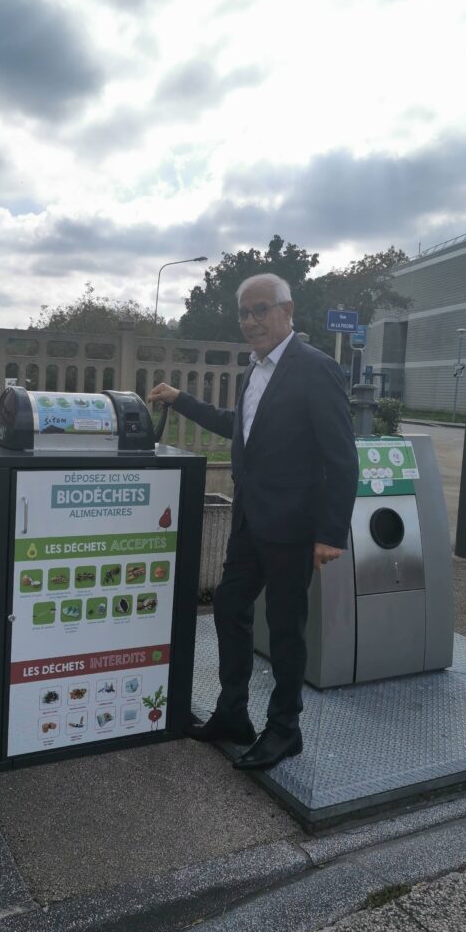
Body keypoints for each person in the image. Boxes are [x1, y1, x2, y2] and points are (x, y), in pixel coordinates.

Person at [147, 273, 358, 770]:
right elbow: (237, 427)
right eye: (244, 313)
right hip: (249, 521)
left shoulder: (316, 368)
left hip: (293, 526)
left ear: (288, 310)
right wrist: (180, 399)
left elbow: (342, 456)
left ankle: (285, 729)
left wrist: (331, 533)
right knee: (229, 606)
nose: (250, 321)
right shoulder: (254, 370)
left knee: (285, 628)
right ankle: (233, 713)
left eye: (260, 310)